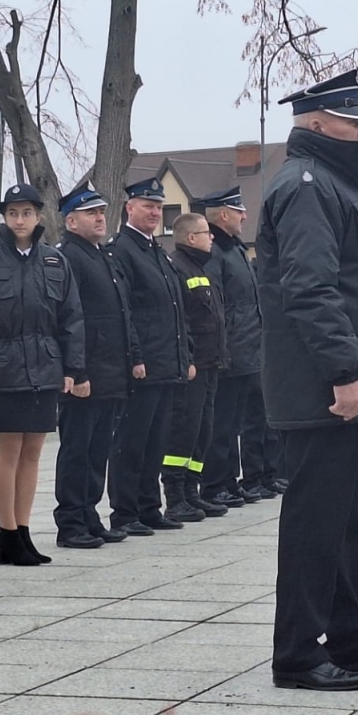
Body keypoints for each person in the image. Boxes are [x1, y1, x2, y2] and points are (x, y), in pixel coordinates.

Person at [257, 69, 358, 691]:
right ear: (317, 123)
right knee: (314, 521)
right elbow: (311, 288)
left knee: (343, 520)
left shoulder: (336, 182)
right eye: (353, 121)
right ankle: (298, 654)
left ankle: (349, 641)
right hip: (323, 385)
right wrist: (344, 372)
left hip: (346, 384)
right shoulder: (305, 186)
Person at [0, 184, 86, 566]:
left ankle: (24, 532)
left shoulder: (55, 262)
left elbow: (71, 318)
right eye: (12, 213)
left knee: (34, 453)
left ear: (39, 217)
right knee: (9, 451)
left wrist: (73, 368)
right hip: (3, 367)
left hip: (45, 365)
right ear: (4, 218)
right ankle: (6, 533)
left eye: (26, 212)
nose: (20, 220)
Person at [53, 183, 140, 549]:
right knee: (77, 449)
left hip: (110, 372)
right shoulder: (67, 257)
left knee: (97, 450)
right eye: (91, 213)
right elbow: (69, 319)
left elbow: (121, 313)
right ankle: (71, 521)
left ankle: (89, 513)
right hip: (86, 373)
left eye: (102, 212)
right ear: (71, 221)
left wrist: (133, 358)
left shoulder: (102, 255)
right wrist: (79, 371)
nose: (100, 218)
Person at [107, 177, 194, 536]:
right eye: (148, 206)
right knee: (132, 441)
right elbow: (127, 310)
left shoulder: (156, 250)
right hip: (143, 365)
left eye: (158, 207)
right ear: (130, 208)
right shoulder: (123, 250)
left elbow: (175, 309)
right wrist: (136, 357)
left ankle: (148, 506)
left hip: (167, 361)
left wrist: (184, 354)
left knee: (156, 440)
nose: (155, 213)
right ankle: (125, 511)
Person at [199, 185, 272, 507]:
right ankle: (217, 484)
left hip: (249, 349)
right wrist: (223, 349)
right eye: (239, 211)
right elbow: (215, 305)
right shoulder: (215, 252)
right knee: (223, 425)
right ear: (223, 215)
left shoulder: (236, 249)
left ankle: (238, 479)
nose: (245, 216)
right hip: (229, 352)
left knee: (245, 421)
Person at [163, 211, 229, 520]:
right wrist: (187, 359)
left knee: (203, 431)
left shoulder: (203, 267)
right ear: (191, 238)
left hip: (211, 363)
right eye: (206, 233)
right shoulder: (178, 267)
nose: (211, 237)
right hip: (193, 367)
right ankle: (175, 496)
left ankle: (192, 490)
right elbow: (182, 322)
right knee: (184, 431)